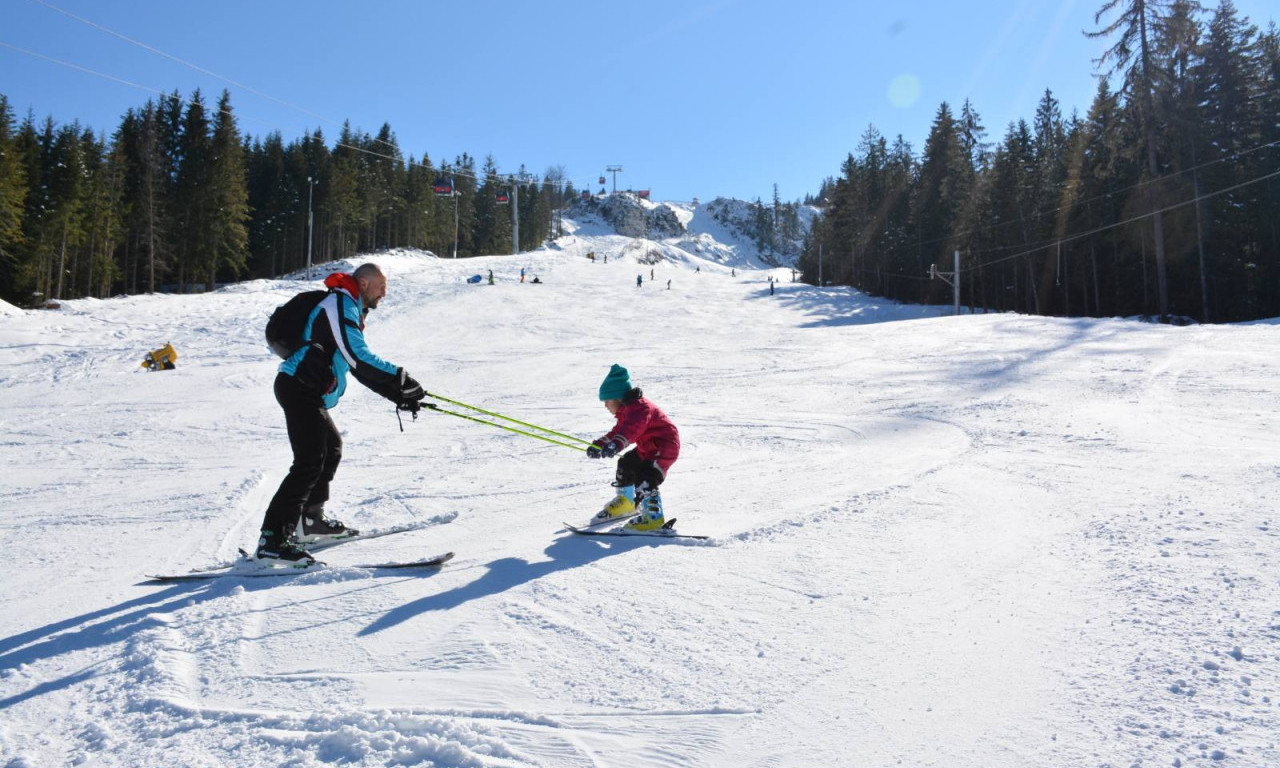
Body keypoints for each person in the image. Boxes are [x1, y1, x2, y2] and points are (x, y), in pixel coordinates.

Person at [256, 263, 425, 563]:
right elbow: (357, 355)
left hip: (309, 391)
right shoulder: (338, 303)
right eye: (381, 286)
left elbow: (355, 367)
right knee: (308, 462)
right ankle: (273, 540)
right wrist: (400, 378)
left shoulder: (349, 307)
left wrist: (397, 394)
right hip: (298, 388)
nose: (385, 293)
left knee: (330, 449)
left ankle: (309, 522)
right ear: (363, 282)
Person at [586, 364, 680, 532]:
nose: (605, 405)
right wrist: (599, 445)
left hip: (664, 446)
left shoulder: (640, 408)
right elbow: (618, 431)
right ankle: (627, 502)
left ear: (617, 397)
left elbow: (632, 429)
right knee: (626, 462)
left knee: (646, 476)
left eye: (607, 400)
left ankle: (653, 518)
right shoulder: (627, 410)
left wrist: (616, 444)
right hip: (648, 448)